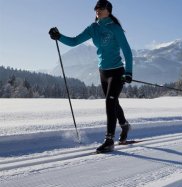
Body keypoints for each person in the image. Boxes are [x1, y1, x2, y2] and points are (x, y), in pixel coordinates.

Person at [49, 0, 133, 153]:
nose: (97, 10)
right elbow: (74, 41)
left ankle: (109, 140)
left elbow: (127, 51)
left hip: (117, 71)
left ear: (108, 10)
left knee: (110, 101)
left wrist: (128, 72)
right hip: (103, 72)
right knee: (113, 102)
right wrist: (59, 36)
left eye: (100, 8)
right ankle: (124, 125)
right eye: (96, 8)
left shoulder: (115, 28)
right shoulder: (93, 28)